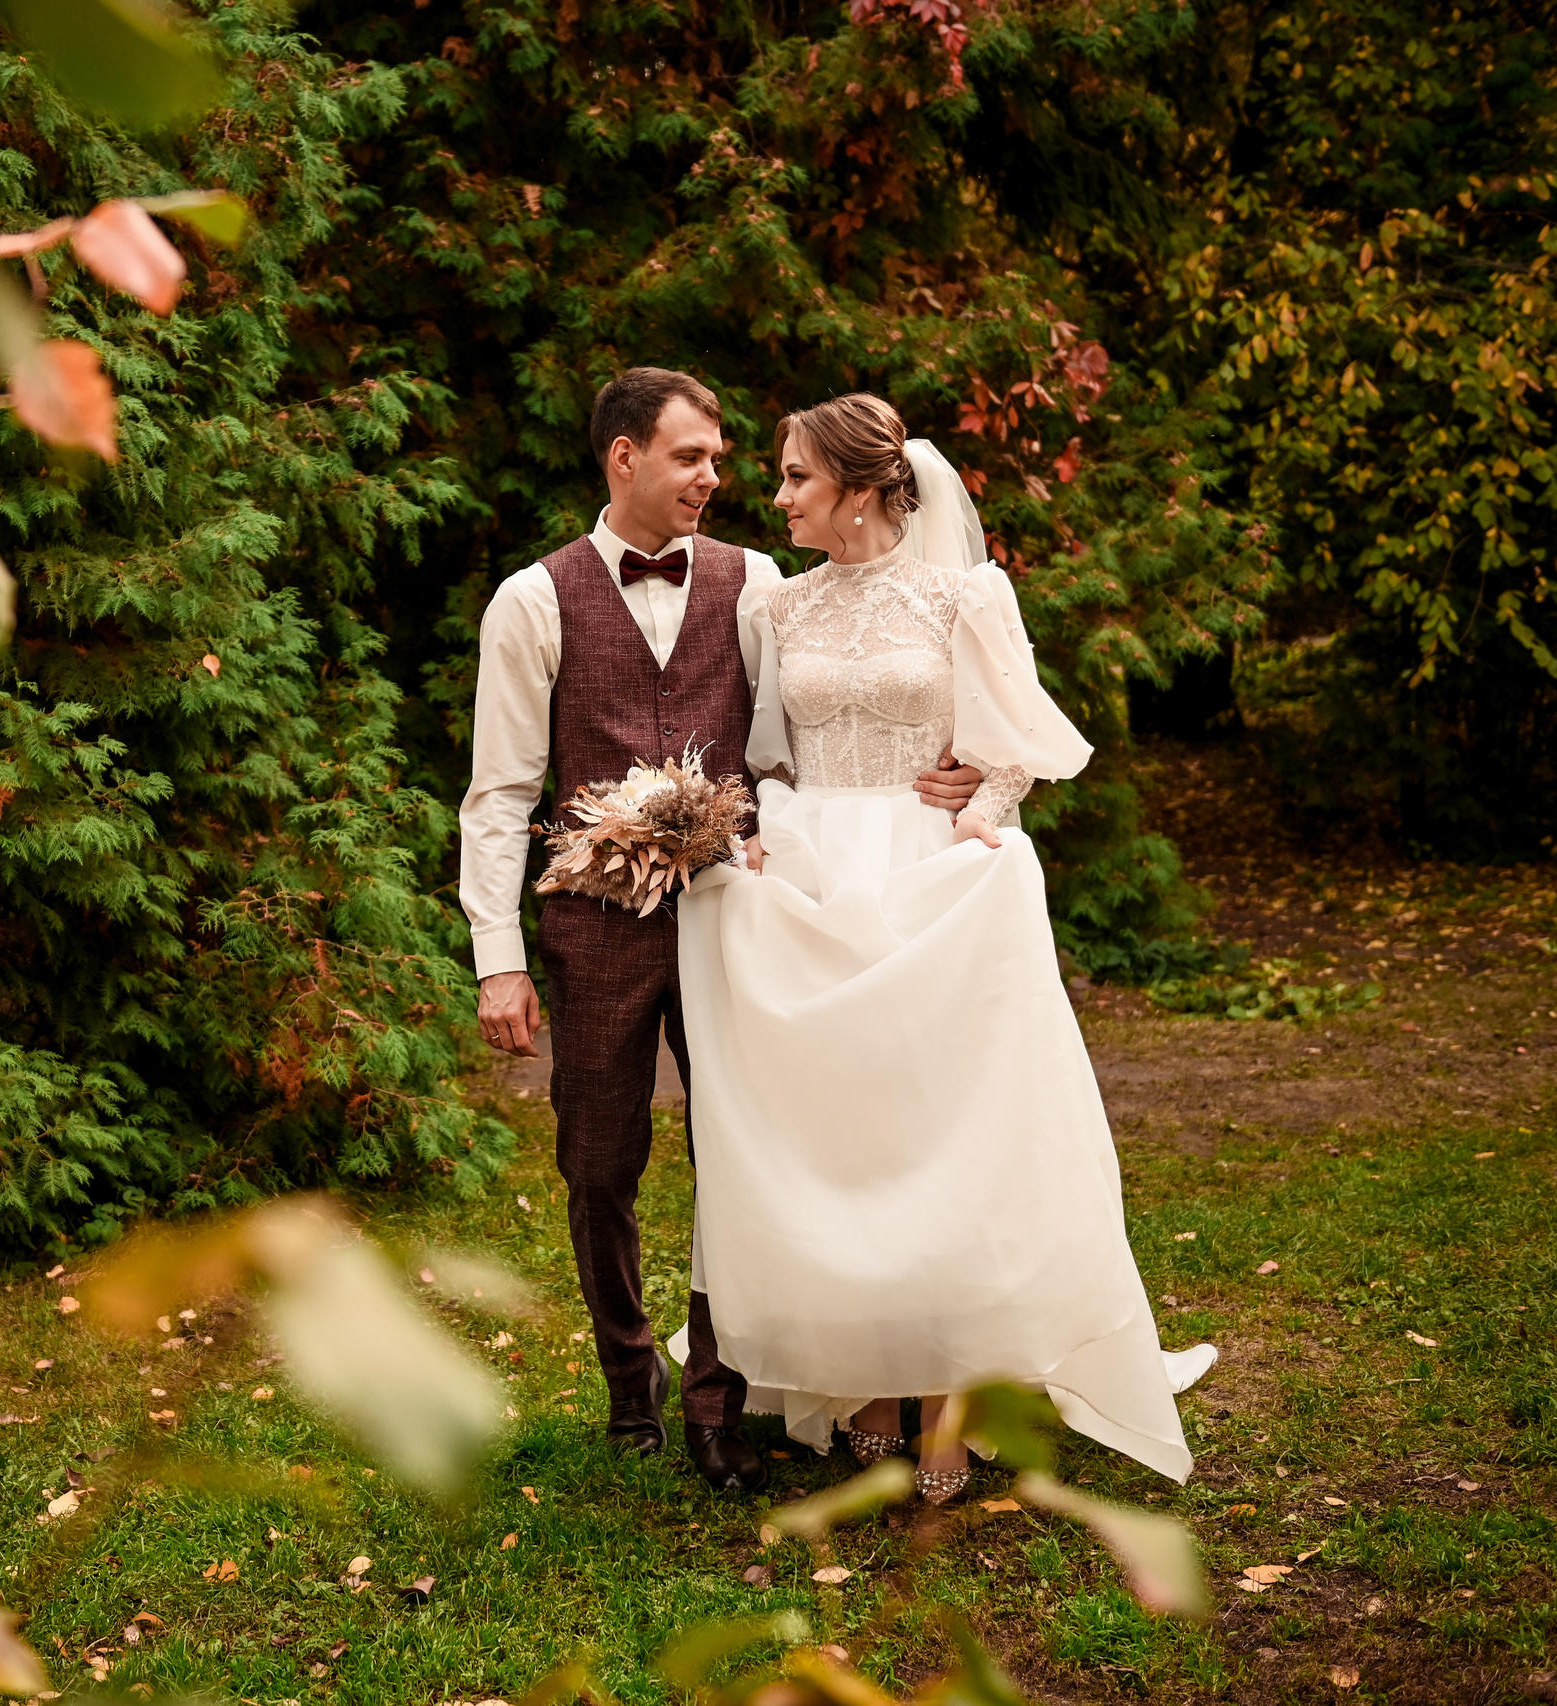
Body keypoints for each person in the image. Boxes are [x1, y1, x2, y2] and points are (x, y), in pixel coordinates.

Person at [672, 393, 1208, 1503]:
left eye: (795, 479)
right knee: (848, 1134)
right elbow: (767, 751)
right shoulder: (777, 607)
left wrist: (980, 807)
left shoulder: (967, 590)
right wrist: (759, 834)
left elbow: (1015, 744)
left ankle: (955, 1385)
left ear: (863, 488)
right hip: (818, 873)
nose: (775, 497)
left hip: (933, 871)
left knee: (950, 1130)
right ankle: (866, 1373)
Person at [459, 369, 989, 1492]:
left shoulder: (757, 585)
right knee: (598, 1162)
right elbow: (500, 794)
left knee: (744, 1154)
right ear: (624, 458)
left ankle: (720, 1396)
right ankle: (627, 1378)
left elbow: (817, 716)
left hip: (734, 916)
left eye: (720, 457)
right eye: (693, 456)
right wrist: (497, 956)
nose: (716, 477)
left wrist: (960, 766)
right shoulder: (533, 599)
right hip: (592, 926)